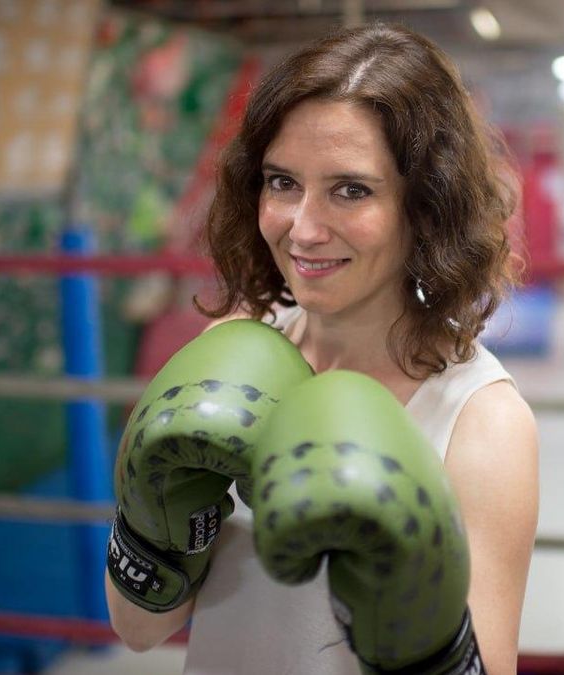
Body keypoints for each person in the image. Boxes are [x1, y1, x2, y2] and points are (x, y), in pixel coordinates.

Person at [105, 22, 539, 675]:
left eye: (351, 190)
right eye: (282, 182)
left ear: (426, 206)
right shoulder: (231, 358)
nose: (303, 228)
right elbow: (138, 628)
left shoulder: (480, 420)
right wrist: (154, 523)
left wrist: (417, 622)